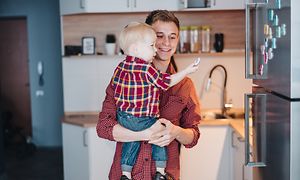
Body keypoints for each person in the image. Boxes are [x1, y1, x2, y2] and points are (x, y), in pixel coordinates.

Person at [97, 10, 202, 180]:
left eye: (172, 36)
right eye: (159, 36)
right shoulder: (123, 78)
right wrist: (145, 134)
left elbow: (193, 136)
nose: (165, 43)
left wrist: (175, 132)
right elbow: (103, 128)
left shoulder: (185, 85)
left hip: (166, 175)